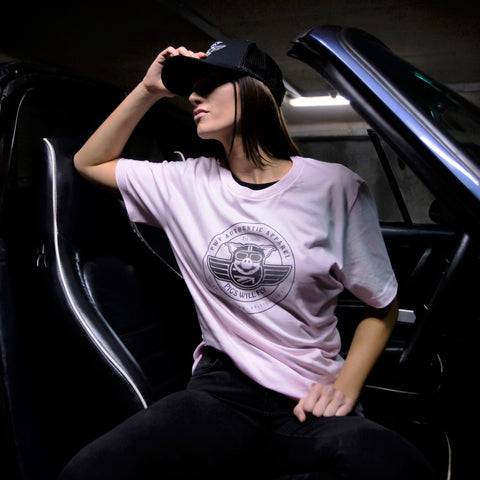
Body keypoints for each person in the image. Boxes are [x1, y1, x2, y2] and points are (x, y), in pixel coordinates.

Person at [58, 39, 434, 479]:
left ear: (254, 91)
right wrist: (148, 90)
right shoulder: (184, 183)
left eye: (209, 84)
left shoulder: (337, 188)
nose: (193, 96)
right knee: (88, 471)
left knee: (399, 465)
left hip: (308, 396)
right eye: (191, 88)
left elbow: (381, 303)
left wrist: (345, 388)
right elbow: (88, 162)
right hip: (221, 393)